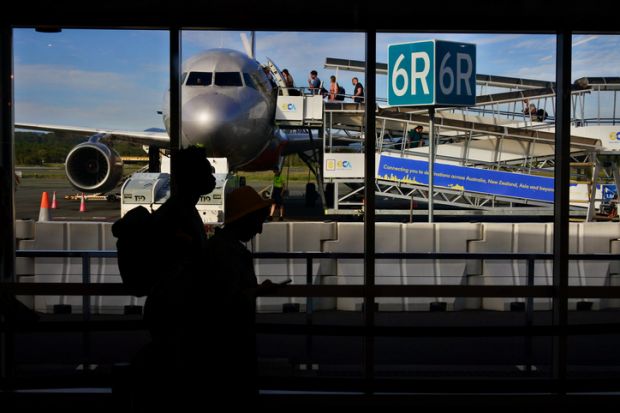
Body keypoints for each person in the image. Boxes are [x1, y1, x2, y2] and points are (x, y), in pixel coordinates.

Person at [129, 145, 216, 411]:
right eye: (206, 169)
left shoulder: (182, 210)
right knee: (177, 377)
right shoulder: (177, 215)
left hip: (174, 307)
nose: (213, 174)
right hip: (175, 310)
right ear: (191, 176)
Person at [205, 186, 281, 405]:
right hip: (230, 346)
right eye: (257, 221)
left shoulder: (217, 249)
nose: (259, 230)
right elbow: (226, 302)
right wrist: (256, 291)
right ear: (245, 220)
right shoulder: (229, 254)